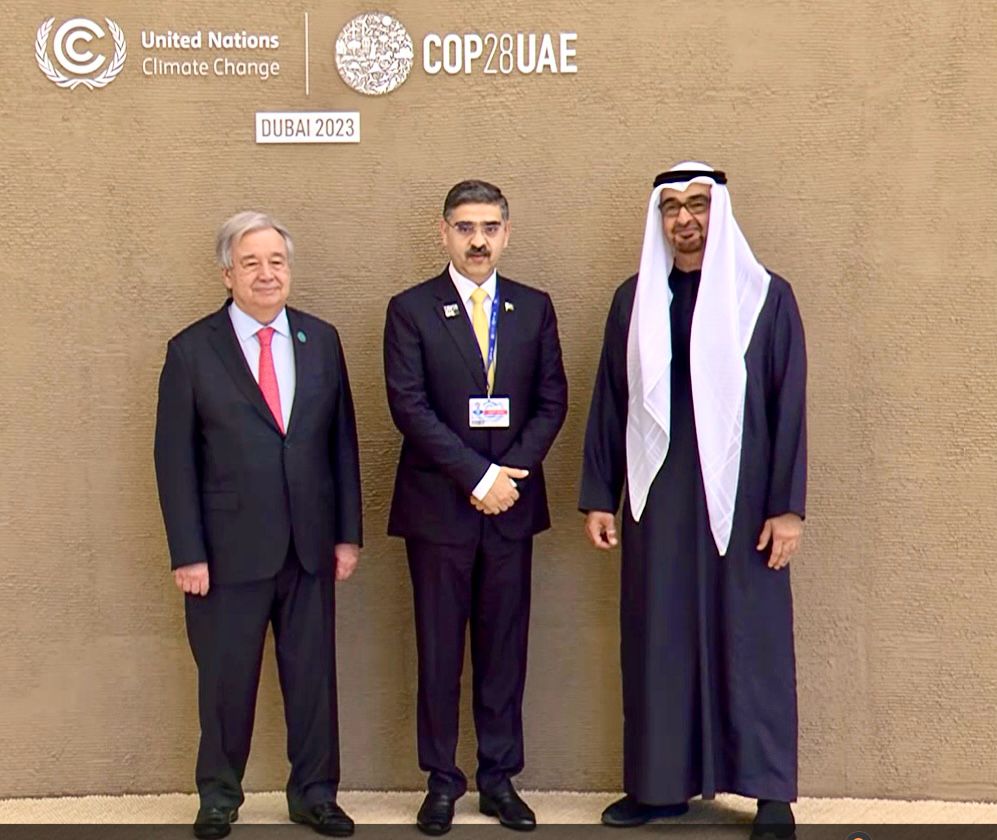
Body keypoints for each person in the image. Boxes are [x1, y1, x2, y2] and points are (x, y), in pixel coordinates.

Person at [580, 162, 807, 839]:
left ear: (720, 213)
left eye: (698, 205)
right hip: (659, 501)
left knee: (751, 639)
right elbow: (611, 400)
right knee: (659, 638)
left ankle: (769, 793)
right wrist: (600, 495)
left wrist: (787, 508)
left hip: (745, 501)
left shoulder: (765, 297)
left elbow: (788, 404)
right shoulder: (633, 299)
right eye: (672, 208)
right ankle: (658, 788)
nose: (685, 220)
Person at [154, 211, 362, 839]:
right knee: (226, 682)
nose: (266, 273)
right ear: (228, 274)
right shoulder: (192, 350)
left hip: (309, 547)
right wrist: (188, 552)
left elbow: (342, 445)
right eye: (251, 263)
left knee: (313, 681)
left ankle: (315, 795)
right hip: (225, 555)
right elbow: (173, 460)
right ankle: (219, 796)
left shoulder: (320, 339)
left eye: (276, 261)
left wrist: (346, 534)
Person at [383, 180, 568, 835]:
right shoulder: (411, 310)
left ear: (507, 233)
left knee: (503, 652)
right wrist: (478, 475)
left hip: (511, 507)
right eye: (465, 228)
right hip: (440, 511)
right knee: (438, 654)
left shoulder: (532, 308)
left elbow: (552, 400)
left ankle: (498, 779)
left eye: (490, 227)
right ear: (443, 233)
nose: (478, 240)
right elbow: (409, 406)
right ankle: (441, 781)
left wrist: (508, 475)